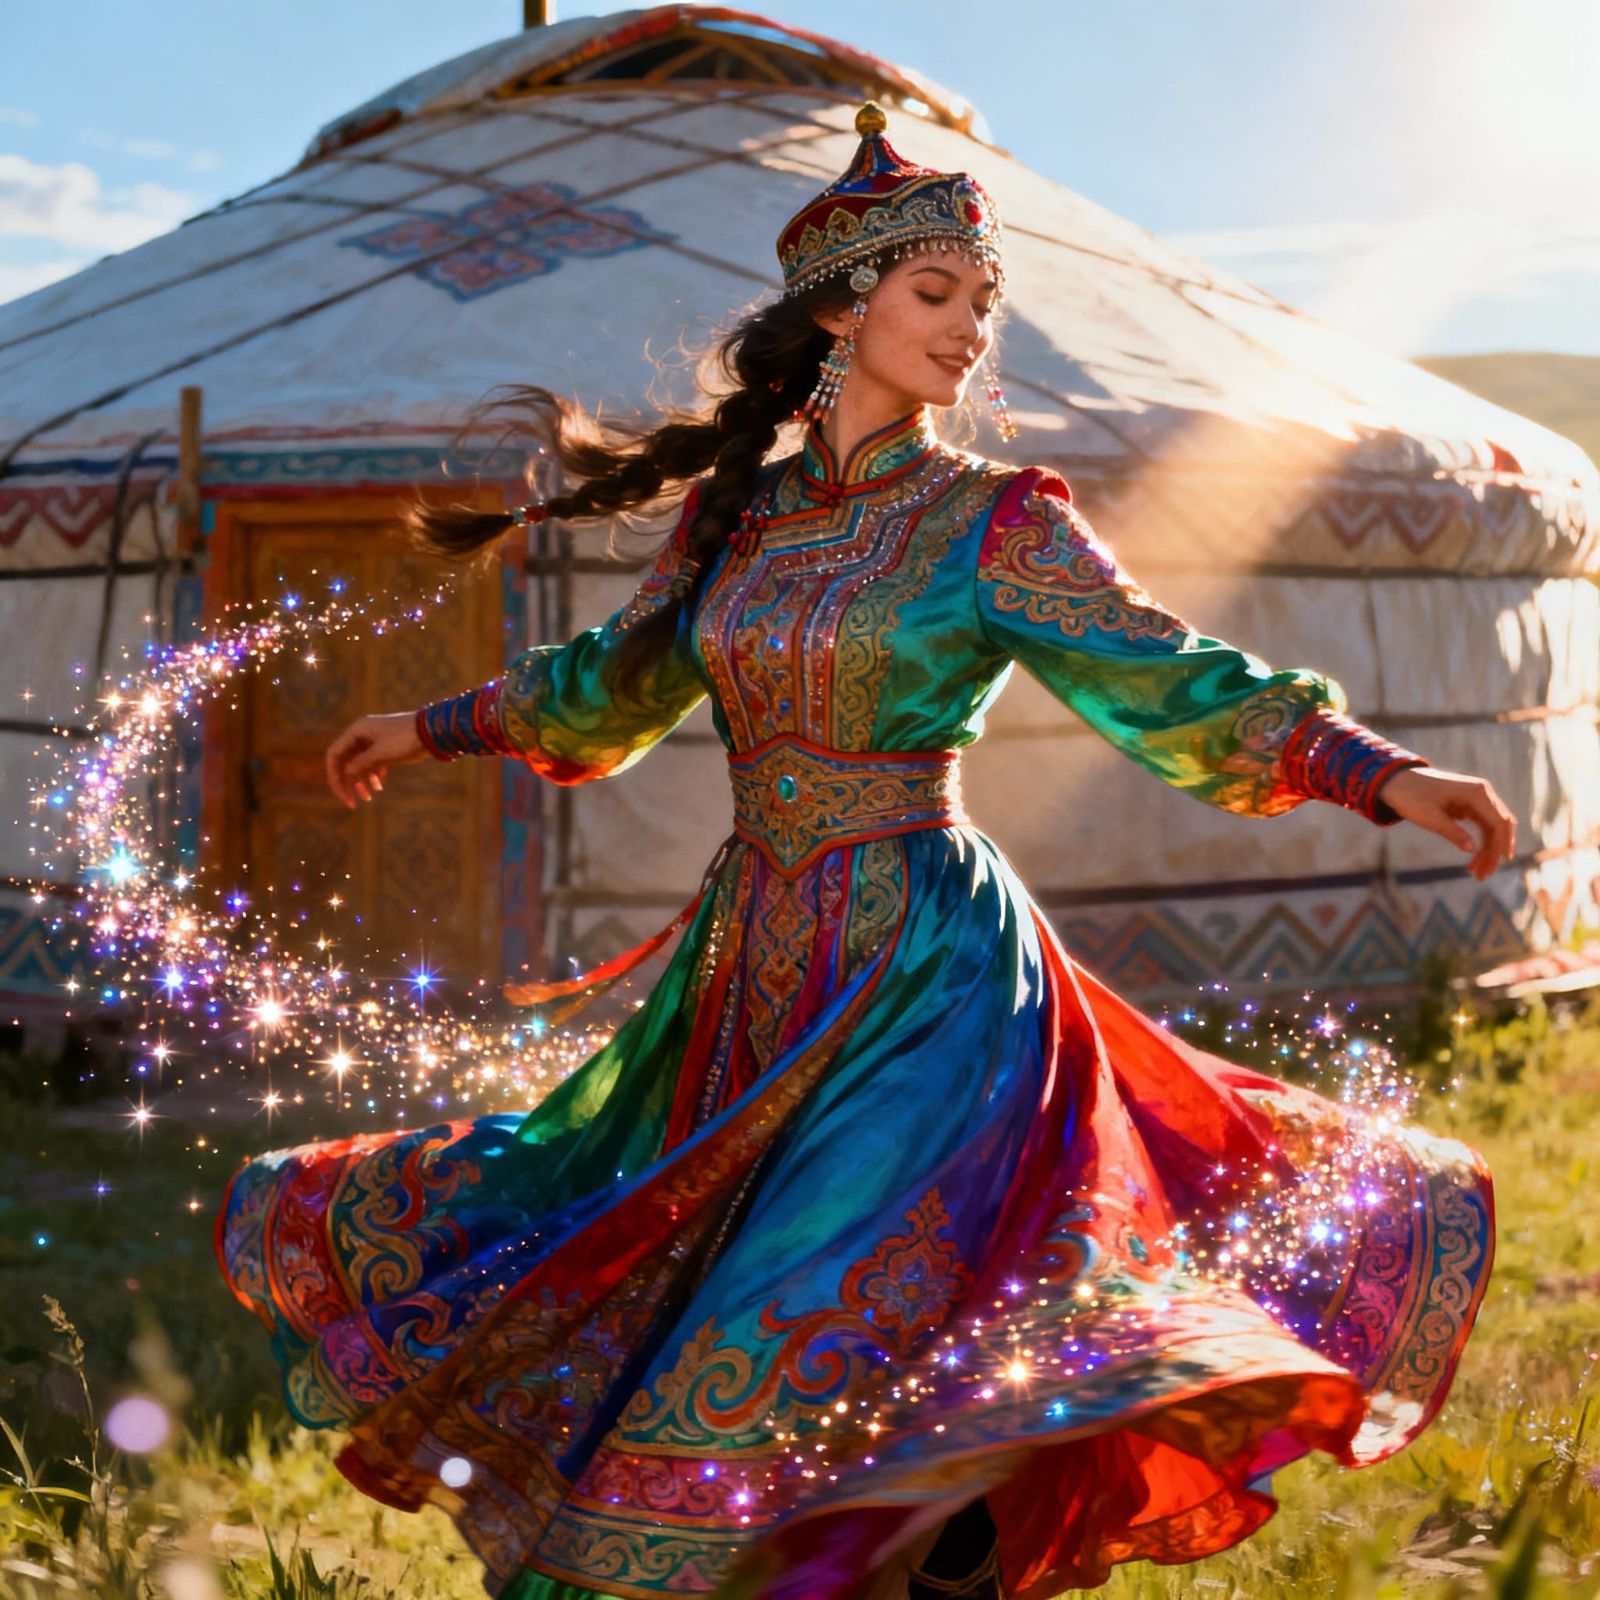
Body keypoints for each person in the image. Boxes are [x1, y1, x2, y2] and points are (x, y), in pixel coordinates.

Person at [216, 105, 1514, 1600]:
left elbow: (1166, 671)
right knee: (677, 1277)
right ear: (842, 311)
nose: (971, 330)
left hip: (931, 962)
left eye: (983, 302)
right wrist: (430, 726)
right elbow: (610, 683)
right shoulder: (739, 520)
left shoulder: (995, 522)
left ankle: (918, 1563)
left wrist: (1378, 772)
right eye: (936, 293)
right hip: (749, 966)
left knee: (840, 1301)